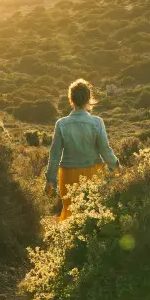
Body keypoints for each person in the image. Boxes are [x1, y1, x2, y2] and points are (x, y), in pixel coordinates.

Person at [45, 79, 120, 221]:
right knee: (93, 213)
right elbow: (105, 150)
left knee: (70, 213)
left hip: (68, 175)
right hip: (93, 173)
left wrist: (50, 180)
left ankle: (67, 241)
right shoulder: (97, 122)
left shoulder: (61, 124)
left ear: (70, 99)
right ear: (89, 98)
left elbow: (54, 155)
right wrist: (116, 166)